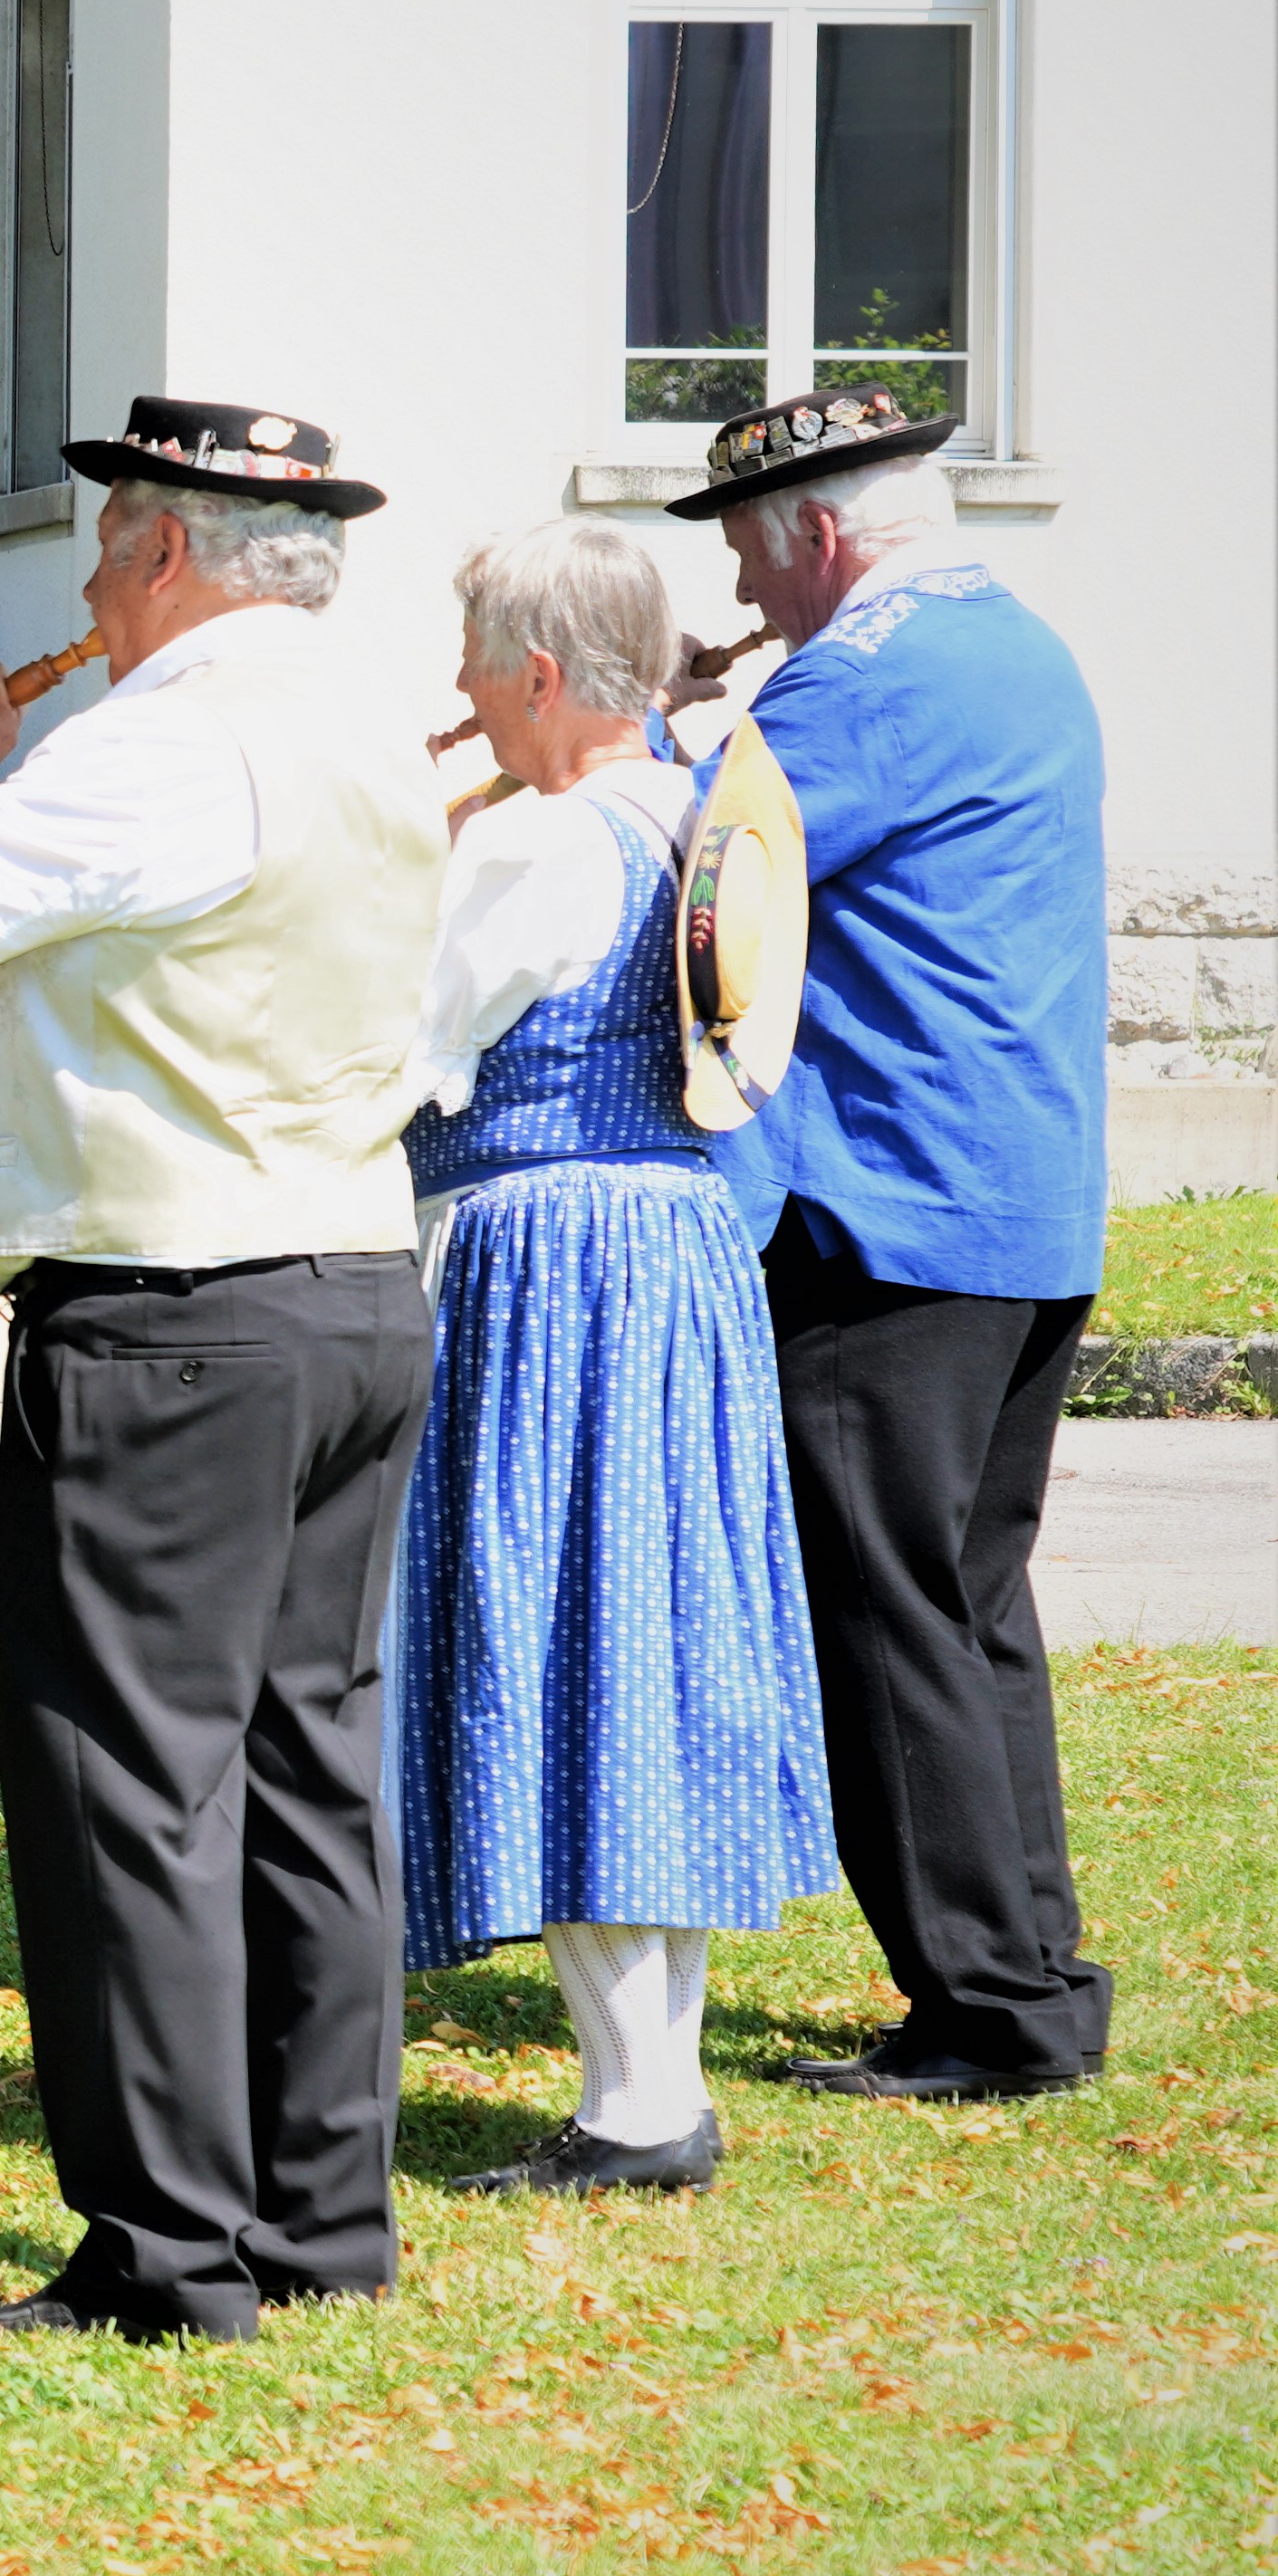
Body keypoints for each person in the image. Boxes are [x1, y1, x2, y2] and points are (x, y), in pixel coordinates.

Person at [0, 397, 445, 2344]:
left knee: (128, 1781)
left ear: (169, 551)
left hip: (173, 1298)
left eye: (103, 549)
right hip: (346, 1275)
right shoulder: (364, 725)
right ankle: (318, 2217)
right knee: (306, 1764)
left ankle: (165, 2255)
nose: (87, 585)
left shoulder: (168, 737)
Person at [671, 387, 1112, 2105]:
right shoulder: (1017, 643)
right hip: (1012, 1201)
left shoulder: (865, 680)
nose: (747, 601)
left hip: (888, 1208)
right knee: (971, 1608)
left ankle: (983, 2010)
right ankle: (1031, 1976)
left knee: (885, 1618)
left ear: (820, 535)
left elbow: (701, 879)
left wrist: (657, 729)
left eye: (750, 561)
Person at [390, 522, 840, 2197]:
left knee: (557, 1633)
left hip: (547, 1260)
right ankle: (654, 2077)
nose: (459, 692)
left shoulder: (546, 841)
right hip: (678, 1249)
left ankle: (640, 2103)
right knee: (649, 1633)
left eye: (473, 658)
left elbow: (403, 1047)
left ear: (535, 675)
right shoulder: (694, 812)